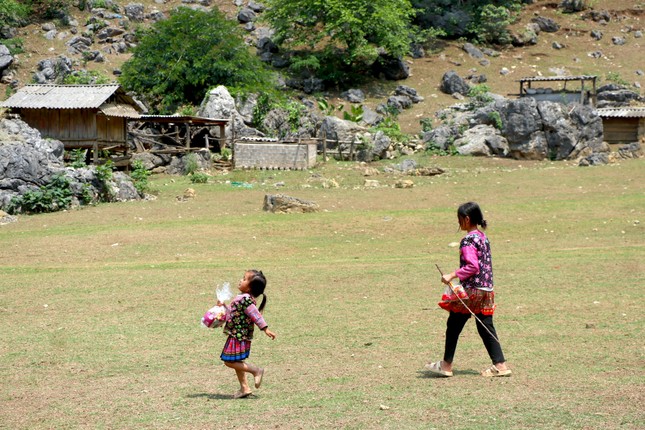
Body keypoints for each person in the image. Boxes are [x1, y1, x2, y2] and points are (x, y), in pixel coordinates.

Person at [426, 202, 511, 377]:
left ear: (466, 219)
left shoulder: (468, 240)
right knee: (486, 327)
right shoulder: (483, 237)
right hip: (486, 290)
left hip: (471, 291)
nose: (459, 224)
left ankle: (446, 365)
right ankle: (500, 365)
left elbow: (472, 266)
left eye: (459, 219)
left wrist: (451, 275)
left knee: (453, 325)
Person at [219, 269, 276, 398]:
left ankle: (256, 370)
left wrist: (265, 328)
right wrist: (223, 307)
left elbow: (255, 315)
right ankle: (245, 388)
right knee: (237, 361)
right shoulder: (243, 298)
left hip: (238, 336)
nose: (241, 280)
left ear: (250, 288)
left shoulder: (245, 299)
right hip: (237, 334)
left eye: (244, 279)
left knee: (229, 361)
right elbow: (233, 313)